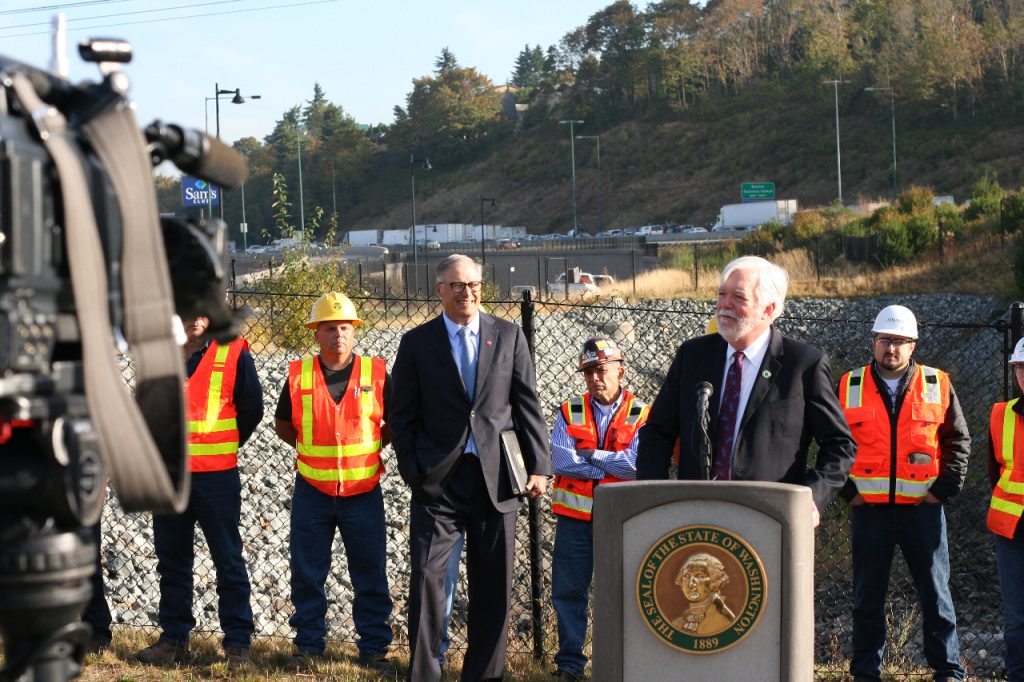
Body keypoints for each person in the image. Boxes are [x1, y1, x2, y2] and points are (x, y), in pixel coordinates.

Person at [390, 254, 550, 682]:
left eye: (474, 284)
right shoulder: (416, 343)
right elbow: (401, 415)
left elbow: (526, 405)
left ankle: (484, 675)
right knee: (426, 580)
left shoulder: (509, 335)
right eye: (457, 285)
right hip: (437, 483)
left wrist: (539, 467)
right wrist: (413, 469)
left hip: (498, 480)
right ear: (439, 289)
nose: (467, 292)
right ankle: (424, 673)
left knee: (494, 587)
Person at [636, 255, 856, 526]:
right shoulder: (693, 356)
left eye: (738, 297)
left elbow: (839, 445)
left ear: (768, 309)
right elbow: (657, 431)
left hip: (770, 519)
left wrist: (811, 498)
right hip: (697, 517)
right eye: (721, 294)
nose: (724, 304)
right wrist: (651, 496)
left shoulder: (802, 364)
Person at [838, 304, 968, 682]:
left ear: (913, 345)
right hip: (870, 512)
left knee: (936, 596)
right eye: (883, 340)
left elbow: (958, 440)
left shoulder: (937, 383)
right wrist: (850, 493)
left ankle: (948, 672)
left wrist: (941, 492)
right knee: (867, 599)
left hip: (922, 511)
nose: (890, 349)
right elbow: (832, 442)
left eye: (898, 342)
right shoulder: (849, 384)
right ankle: (866, 674)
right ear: (873, 343)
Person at [273, 291, 394, 675]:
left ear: (354, 331)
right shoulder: (298, 375)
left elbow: (390, 424)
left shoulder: (376, 373)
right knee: (308, 572)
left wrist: (369, 452)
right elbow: (283, 424)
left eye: (344, 327)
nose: (337, 335)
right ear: (316, 334)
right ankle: (308, 646)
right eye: (329, 328)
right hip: (312, 490)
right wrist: (312, 452)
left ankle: (374, 649)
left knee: (371, 572)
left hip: (363, 491)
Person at [136, 315, 264, 665]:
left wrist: (220, 445)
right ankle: (174, 640)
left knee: (228, 560)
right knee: (172, 561)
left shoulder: (233, 351)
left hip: (216, 478)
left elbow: (252, 409)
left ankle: (238, 643)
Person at [549, 336, 648, 679]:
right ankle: (570, 665)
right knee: (567, 593)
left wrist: (590, 455)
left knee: (623, 593)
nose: (595, 378)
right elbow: (560, 460)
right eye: (588, 371)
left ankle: (620, 664)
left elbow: (639, 466)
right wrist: (607, 464)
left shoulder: (642, 413)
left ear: (620, 371)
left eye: (602, 370)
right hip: (574, 521)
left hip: (621, 521)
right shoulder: (568, 410)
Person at [989, 337, 1024, 682]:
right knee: (1017, 618)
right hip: (1012, 531)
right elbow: (993, 470)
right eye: (1021, 368)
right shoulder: (1001, 414)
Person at [670, 553, 734, 635]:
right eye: (687, 576)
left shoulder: (724, 621)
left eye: (700, 576)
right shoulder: (677, 623)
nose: (691, 584)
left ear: (714, 581)